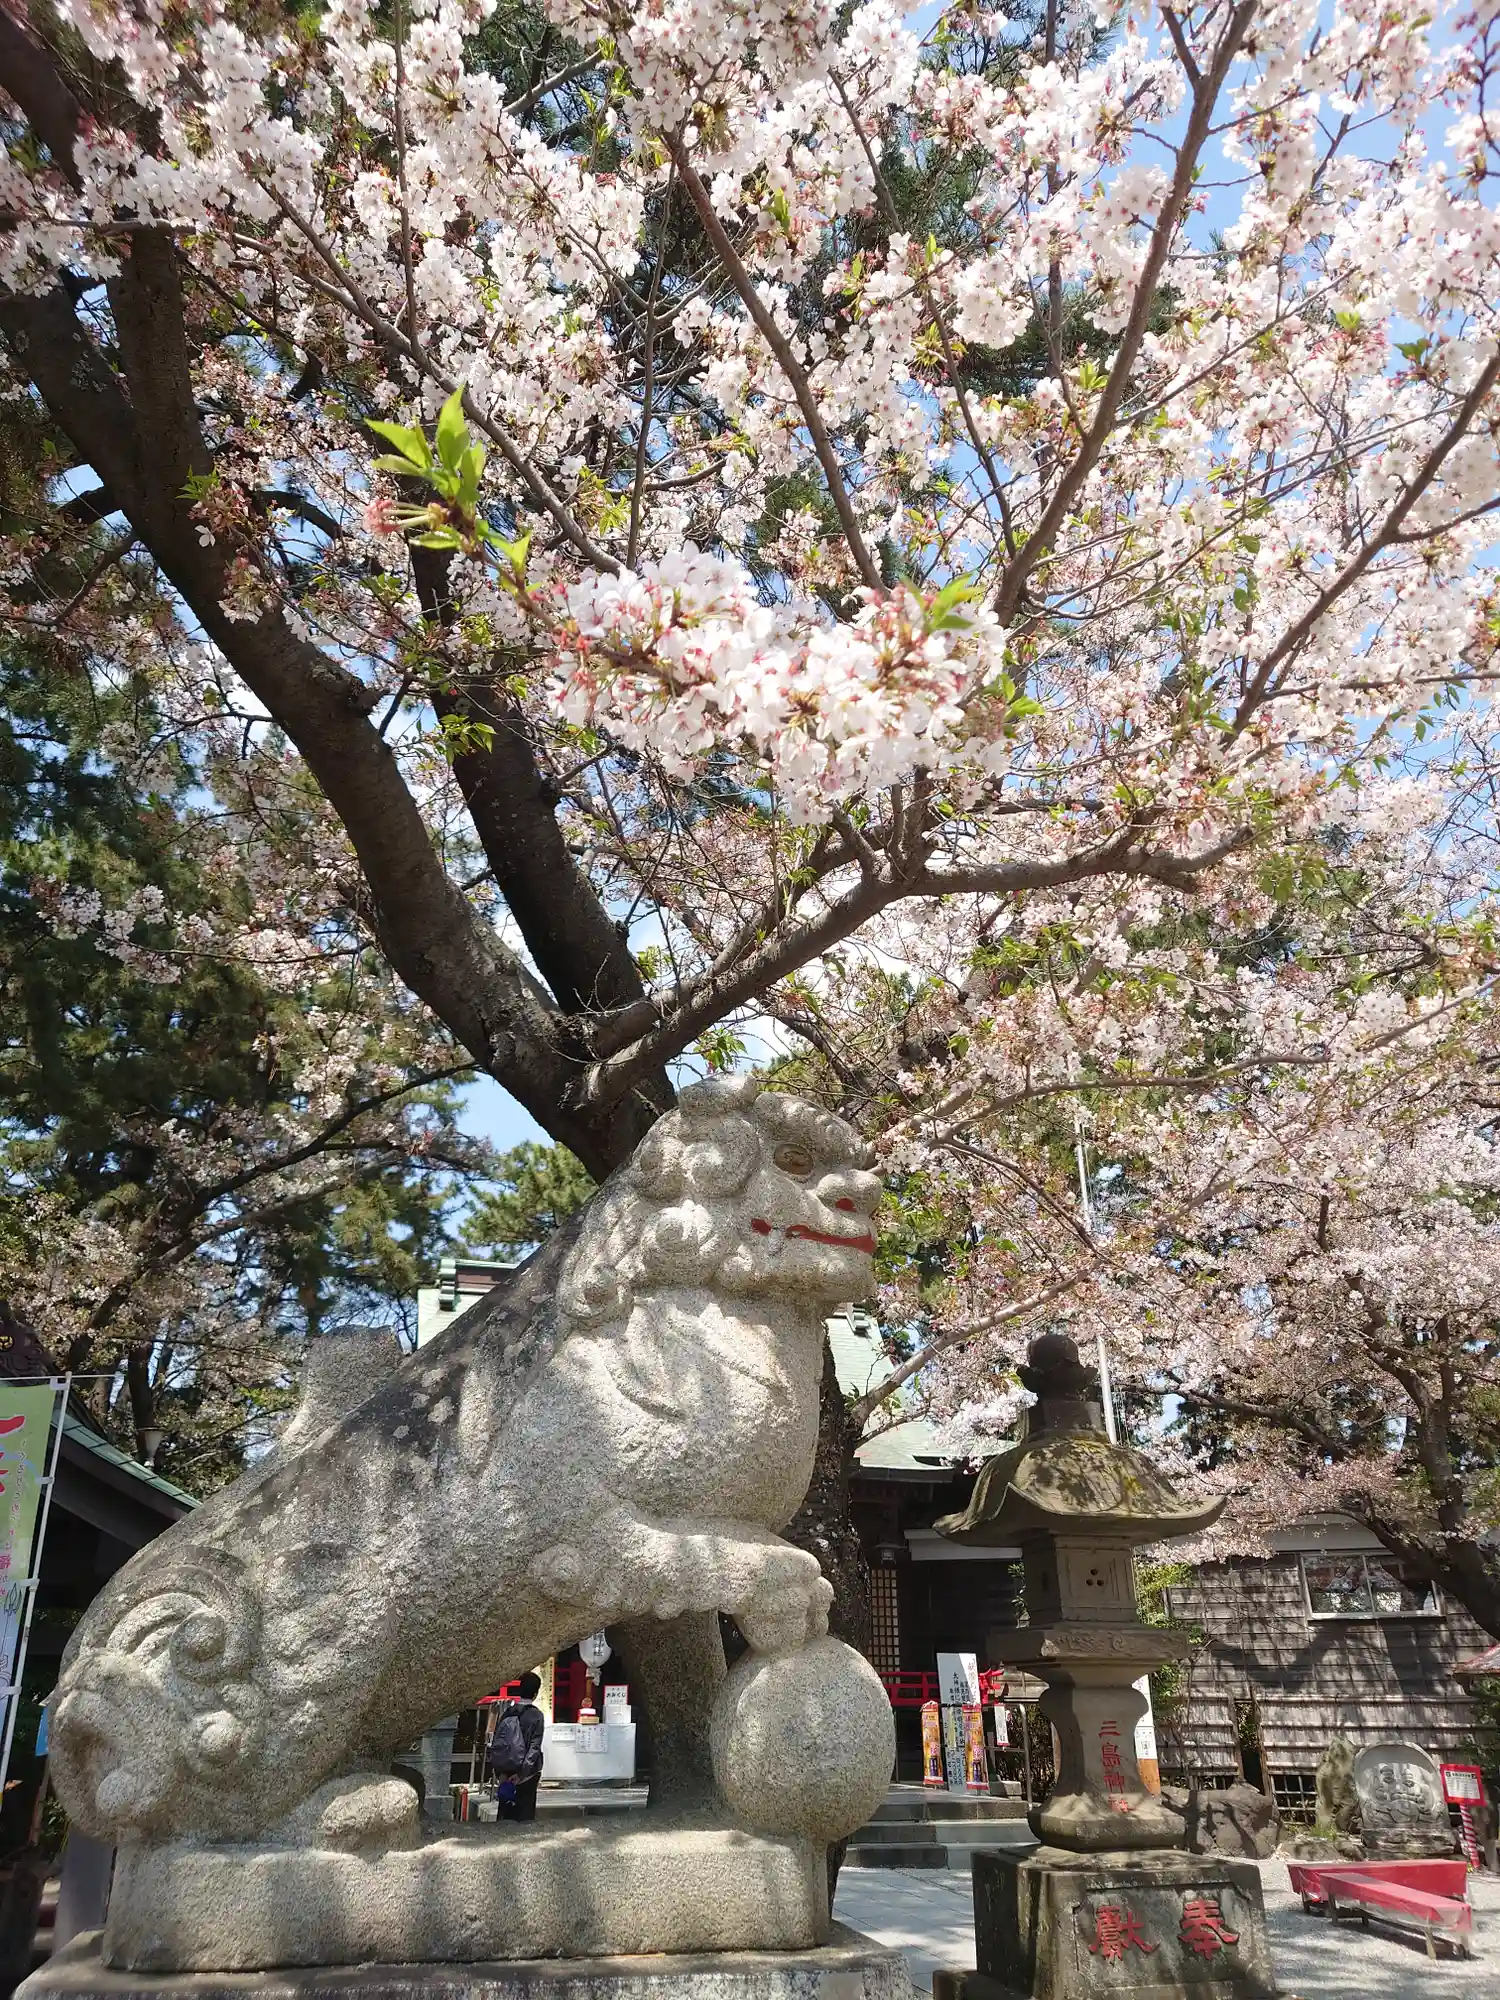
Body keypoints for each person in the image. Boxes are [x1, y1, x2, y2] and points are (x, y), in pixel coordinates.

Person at [487, 1671, 545, 1822]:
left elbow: (499, 1743)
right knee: (525, 1814)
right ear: (535, 1693)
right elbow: (534, 1747)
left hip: (506, 1771)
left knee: (506, 1811)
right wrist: (522, 1773)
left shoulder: (508, 1712)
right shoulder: (536, 1715)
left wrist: (500, 1772)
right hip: (527, 1774)